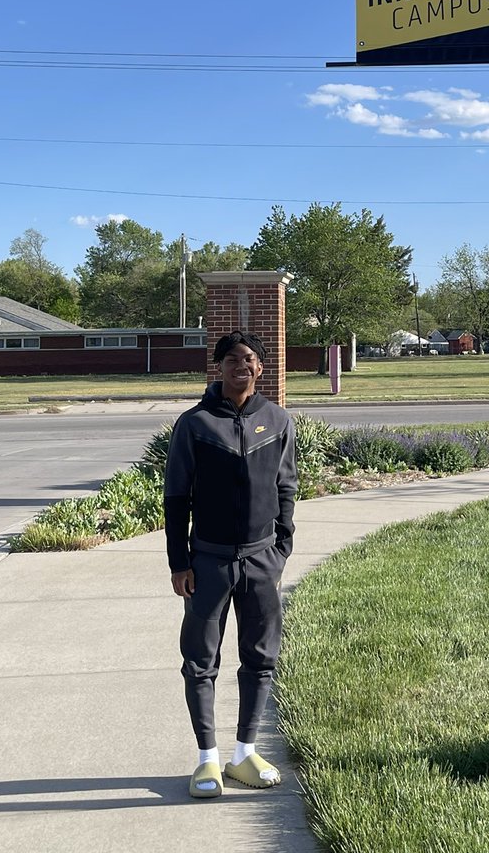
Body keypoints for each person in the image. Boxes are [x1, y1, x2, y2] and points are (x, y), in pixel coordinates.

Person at [164, 330, 297, 799]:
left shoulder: (278, 420)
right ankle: (207, 761)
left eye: (250, 359)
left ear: (261, 368)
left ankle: (245, 753)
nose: (242, 365)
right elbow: (177, 498)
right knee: (200, 661)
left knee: (261, 660)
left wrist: (282, 548)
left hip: (262, 560)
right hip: (209, 561)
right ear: (217, 368)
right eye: (232, 359)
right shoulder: (194, 424)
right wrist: (179, 562)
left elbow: (286, 487)